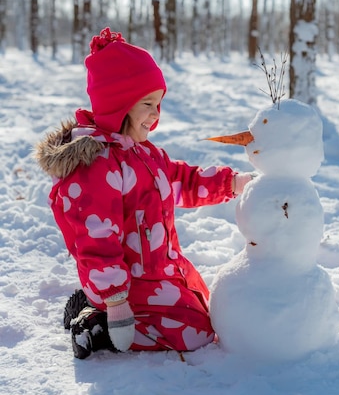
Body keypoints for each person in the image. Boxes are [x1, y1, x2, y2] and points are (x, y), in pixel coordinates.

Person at [36, 28, 252, 359]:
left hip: (156, 272)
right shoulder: (98, 165)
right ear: (117, 105)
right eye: (147, 104)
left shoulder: (144, 154)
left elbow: (182, 180)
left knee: (202, 312)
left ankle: (100, 308)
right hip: (126, 286)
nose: (156, 114)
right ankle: (98, 327)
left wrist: (231, 183)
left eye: (159, 103)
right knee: (195, 335)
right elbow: (96, 239)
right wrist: (115, 298)